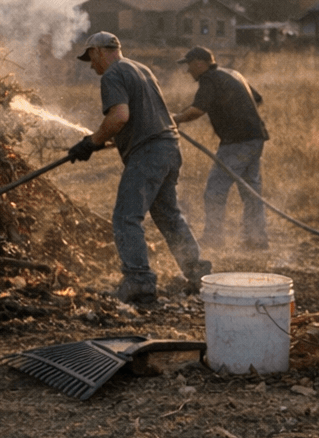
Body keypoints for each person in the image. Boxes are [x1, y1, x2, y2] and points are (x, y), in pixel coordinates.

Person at [67, 32, 212, 305]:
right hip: (169, 147)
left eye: (90, 58)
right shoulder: (140, 68)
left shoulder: (112, 74)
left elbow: (120, 116)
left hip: (149, 153)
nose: (90, 65)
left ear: (99, 51)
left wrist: (91, 142)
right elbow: (144, 116)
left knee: (126, 217)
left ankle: (139, 282)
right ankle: (197, 274)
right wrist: (97, 141)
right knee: (169, 215)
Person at [172, 45, 270, 251]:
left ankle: (214, 237)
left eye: (189, 65)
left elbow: (197, 110)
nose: (188, 70)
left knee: (215, 189)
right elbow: (258, 99)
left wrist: (176, 119)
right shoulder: (231, 74)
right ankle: (257, 238)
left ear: (200, 63)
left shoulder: (209, 79)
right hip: (255, 137)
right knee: (251, 190)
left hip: (237, 142)